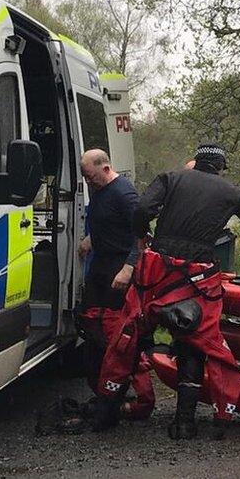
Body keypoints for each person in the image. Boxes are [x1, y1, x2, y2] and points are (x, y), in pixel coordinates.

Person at [91, 143, 240, 440]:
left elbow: (142, 209)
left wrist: (142, 238)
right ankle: (185, 423)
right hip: (198, 276)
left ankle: (105, 413)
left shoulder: (171, 177)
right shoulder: (232, 191)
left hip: (157, 269)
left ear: (197, 160)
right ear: (219, 167)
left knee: (129, 335)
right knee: (196, 339)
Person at [76, 149, 154, 420]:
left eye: (89, 176)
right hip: (100, 264)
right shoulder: (99, 190)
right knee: (90, 323)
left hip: (119, 268)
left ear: (105, 168)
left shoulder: (124, 193)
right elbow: (104, 223)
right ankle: (102, 386)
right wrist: (90, 240)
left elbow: (142, 237)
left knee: (116, 332)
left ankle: (120, 389)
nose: (88, 182)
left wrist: (128, 268)